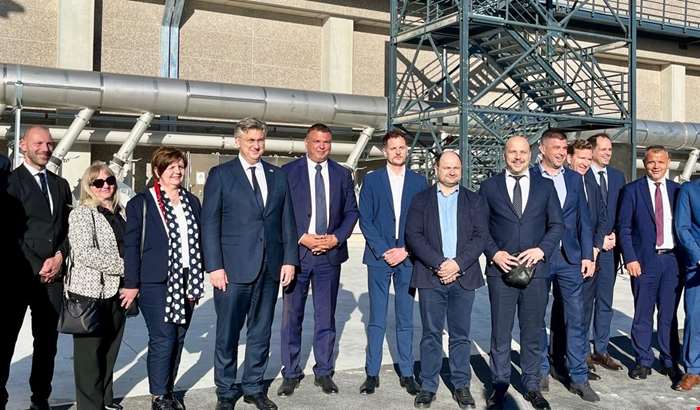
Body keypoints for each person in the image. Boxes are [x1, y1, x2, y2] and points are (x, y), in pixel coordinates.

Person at [201, 118, 298, 410]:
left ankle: (254, 387)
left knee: (261, 331)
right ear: (238, 142)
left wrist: (289, 260)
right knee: (227, 333)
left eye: (260, 140)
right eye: (250, 140)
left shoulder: (277, 175)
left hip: (269, 269)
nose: (256, 146)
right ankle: (225, 390)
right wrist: (214, 266)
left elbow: (287, 221)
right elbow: (210, 223)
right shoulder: (221, 175)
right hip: (232, 270)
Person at [478, 136, 563, 410]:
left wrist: (541, 250)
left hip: (535, 272)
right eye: (512, 152)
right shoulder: (489, 187)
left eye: (523, 152)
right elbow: (480, 228)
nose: (517, 157)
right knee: (500, 333)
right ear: (505, 154)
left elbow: (557, 225)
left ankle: (532, 385)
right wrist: (494, 253)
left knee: (532, 332)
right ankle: (500, 385)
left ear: (531, 154)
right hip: (500, 271)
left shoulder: (545, 186)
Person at [278, 123, 359, 396]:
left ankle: (324, 371)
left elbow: (351, 211)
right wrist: (302, 237)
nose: (322, 146)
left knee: (326, 317)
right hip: (298, 255)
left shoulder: (341, 174)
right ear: (307, 143)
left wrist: (336, 238)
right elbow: (281, 212)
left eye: (326, 142)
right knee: (292, 317)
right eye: (317, 141)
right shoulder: (288, 172)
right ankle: (291, 373)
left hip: (329, 257)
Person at [122, 147, 205, 410]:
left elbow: (199, 240)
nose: (177, 171)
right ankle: (158, 396)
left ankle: (168, 390)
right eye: (171, 167)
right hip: (155, 281)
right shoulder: (141, 203)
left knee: (178, 336)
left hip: (187, 278)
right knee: (163, 337)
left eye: (180, 166)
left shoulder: (192, 201)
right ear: (157, 171)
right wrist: (131, 284)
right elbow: (131, 246)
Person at [405, 151, 488, 409]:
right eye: (447, 167)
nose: (452, 171)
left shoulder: (474, 200)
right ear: (436, 169)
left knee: (460, 335)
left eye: (456, 167)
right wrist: (440, 263)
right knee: (431, 334)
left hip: (463, 277)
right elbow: (414, 235)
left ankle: (461, 385)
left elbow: (481, 236)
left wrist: (457, 264)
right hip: (431, 276)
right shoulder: (421, 200)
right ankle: (428, 386)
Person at [2, 126, 72, 410]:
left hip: (53, 277)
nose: (45, 148)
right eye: (39, 143)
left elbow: (67, 228)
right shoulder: (8, 183)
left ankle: (40, 398)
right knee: (5, 340)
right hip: (17, 276)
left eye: (49, 143)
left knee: (47, 342)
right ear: (23, 145)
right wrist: (37, 264)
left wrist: (60, 256)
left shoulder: (60, 184)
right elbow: (9, 232)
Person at [358, 130, 426, 396]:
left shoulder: (419, 182)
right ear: (385, 151)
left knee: (405, 317)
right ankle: (372, 373)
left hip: (407, 259)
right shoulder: (372, 180)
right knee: (376, 318)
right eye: (393, 148)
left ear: (407, 150)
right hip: (379, 258)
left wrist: (406, 250)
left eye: (402, 147)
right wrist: (385, 250)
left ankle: (407, 373)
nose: (398, 151)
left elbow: (422, 221)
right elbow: (366, 219)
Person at [536, 130, 597, 402]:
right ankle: (540, 370)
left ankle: (579, 377)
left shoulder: (574, 178)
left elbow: (584, 220)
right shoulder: (531, 177)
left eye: (564, 148)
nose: (561, 152)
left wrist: (587, 255)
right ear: (542, 149)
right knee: (536, 316)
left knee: (576, 317)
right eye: (556, 147)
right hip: (540, 257)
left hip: (570, 258)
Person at [618, 145, 684, 384]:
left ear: (668, 163)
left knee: (668, 314)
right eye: (651, 162)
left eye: (660, 162)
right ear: (644, 164)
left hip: (673, 261)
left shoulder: (678, 191)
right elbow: (624, 228)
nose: (656, 166)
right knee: (643, 313)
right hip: (644, 262)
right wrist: (630, 258)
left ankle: (669, 360)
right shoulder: (632, 191)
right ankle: (643, 360)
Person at [67, 162, 126, 410]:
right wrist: (126, 267)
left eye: (109, 180)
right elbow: (85, 253)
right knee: (89, 358)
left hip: (119, 292)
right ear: (88, 186)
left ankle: (105, 399)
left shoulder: (122, 213)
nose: (105, 186)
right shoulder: (82, 214)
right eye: (98, 182)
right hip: (90, 293)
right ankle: (90, 406)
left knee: (110, 350)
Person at [566, 139, 608, 380]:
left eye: (588, 159)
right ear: (570, 158)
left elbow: (601, 217)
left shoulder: (591, 182)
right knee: (566, 313)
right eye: (581, 158)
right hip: (567, 257)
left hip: (590, 258)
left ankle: (581, 358)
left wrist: (594, 248)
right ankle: (561, 358)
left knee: (584, 311)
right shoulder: (561, 181)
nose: (585, 163)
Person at [585, 133, 625, 372]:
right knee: (584, 303)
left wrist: (616, 236)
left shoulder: (618, 177)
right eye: (603, 149)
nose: (608, 153)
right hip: (588, 249)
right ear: (591, 150)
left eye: (610, 149)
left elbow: (623, 211)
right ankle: (582, 352)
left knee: (605, 302)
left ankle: (601, 349)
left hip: (610, 250)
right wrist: (598, 241)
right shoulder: (581, 174)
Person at [675, 176, 700, 391]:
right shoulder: (689, 190)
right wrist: (698, 256)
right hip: (697, 265)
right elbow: (682, 227)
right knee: (694, 317)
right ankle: (693, 369)